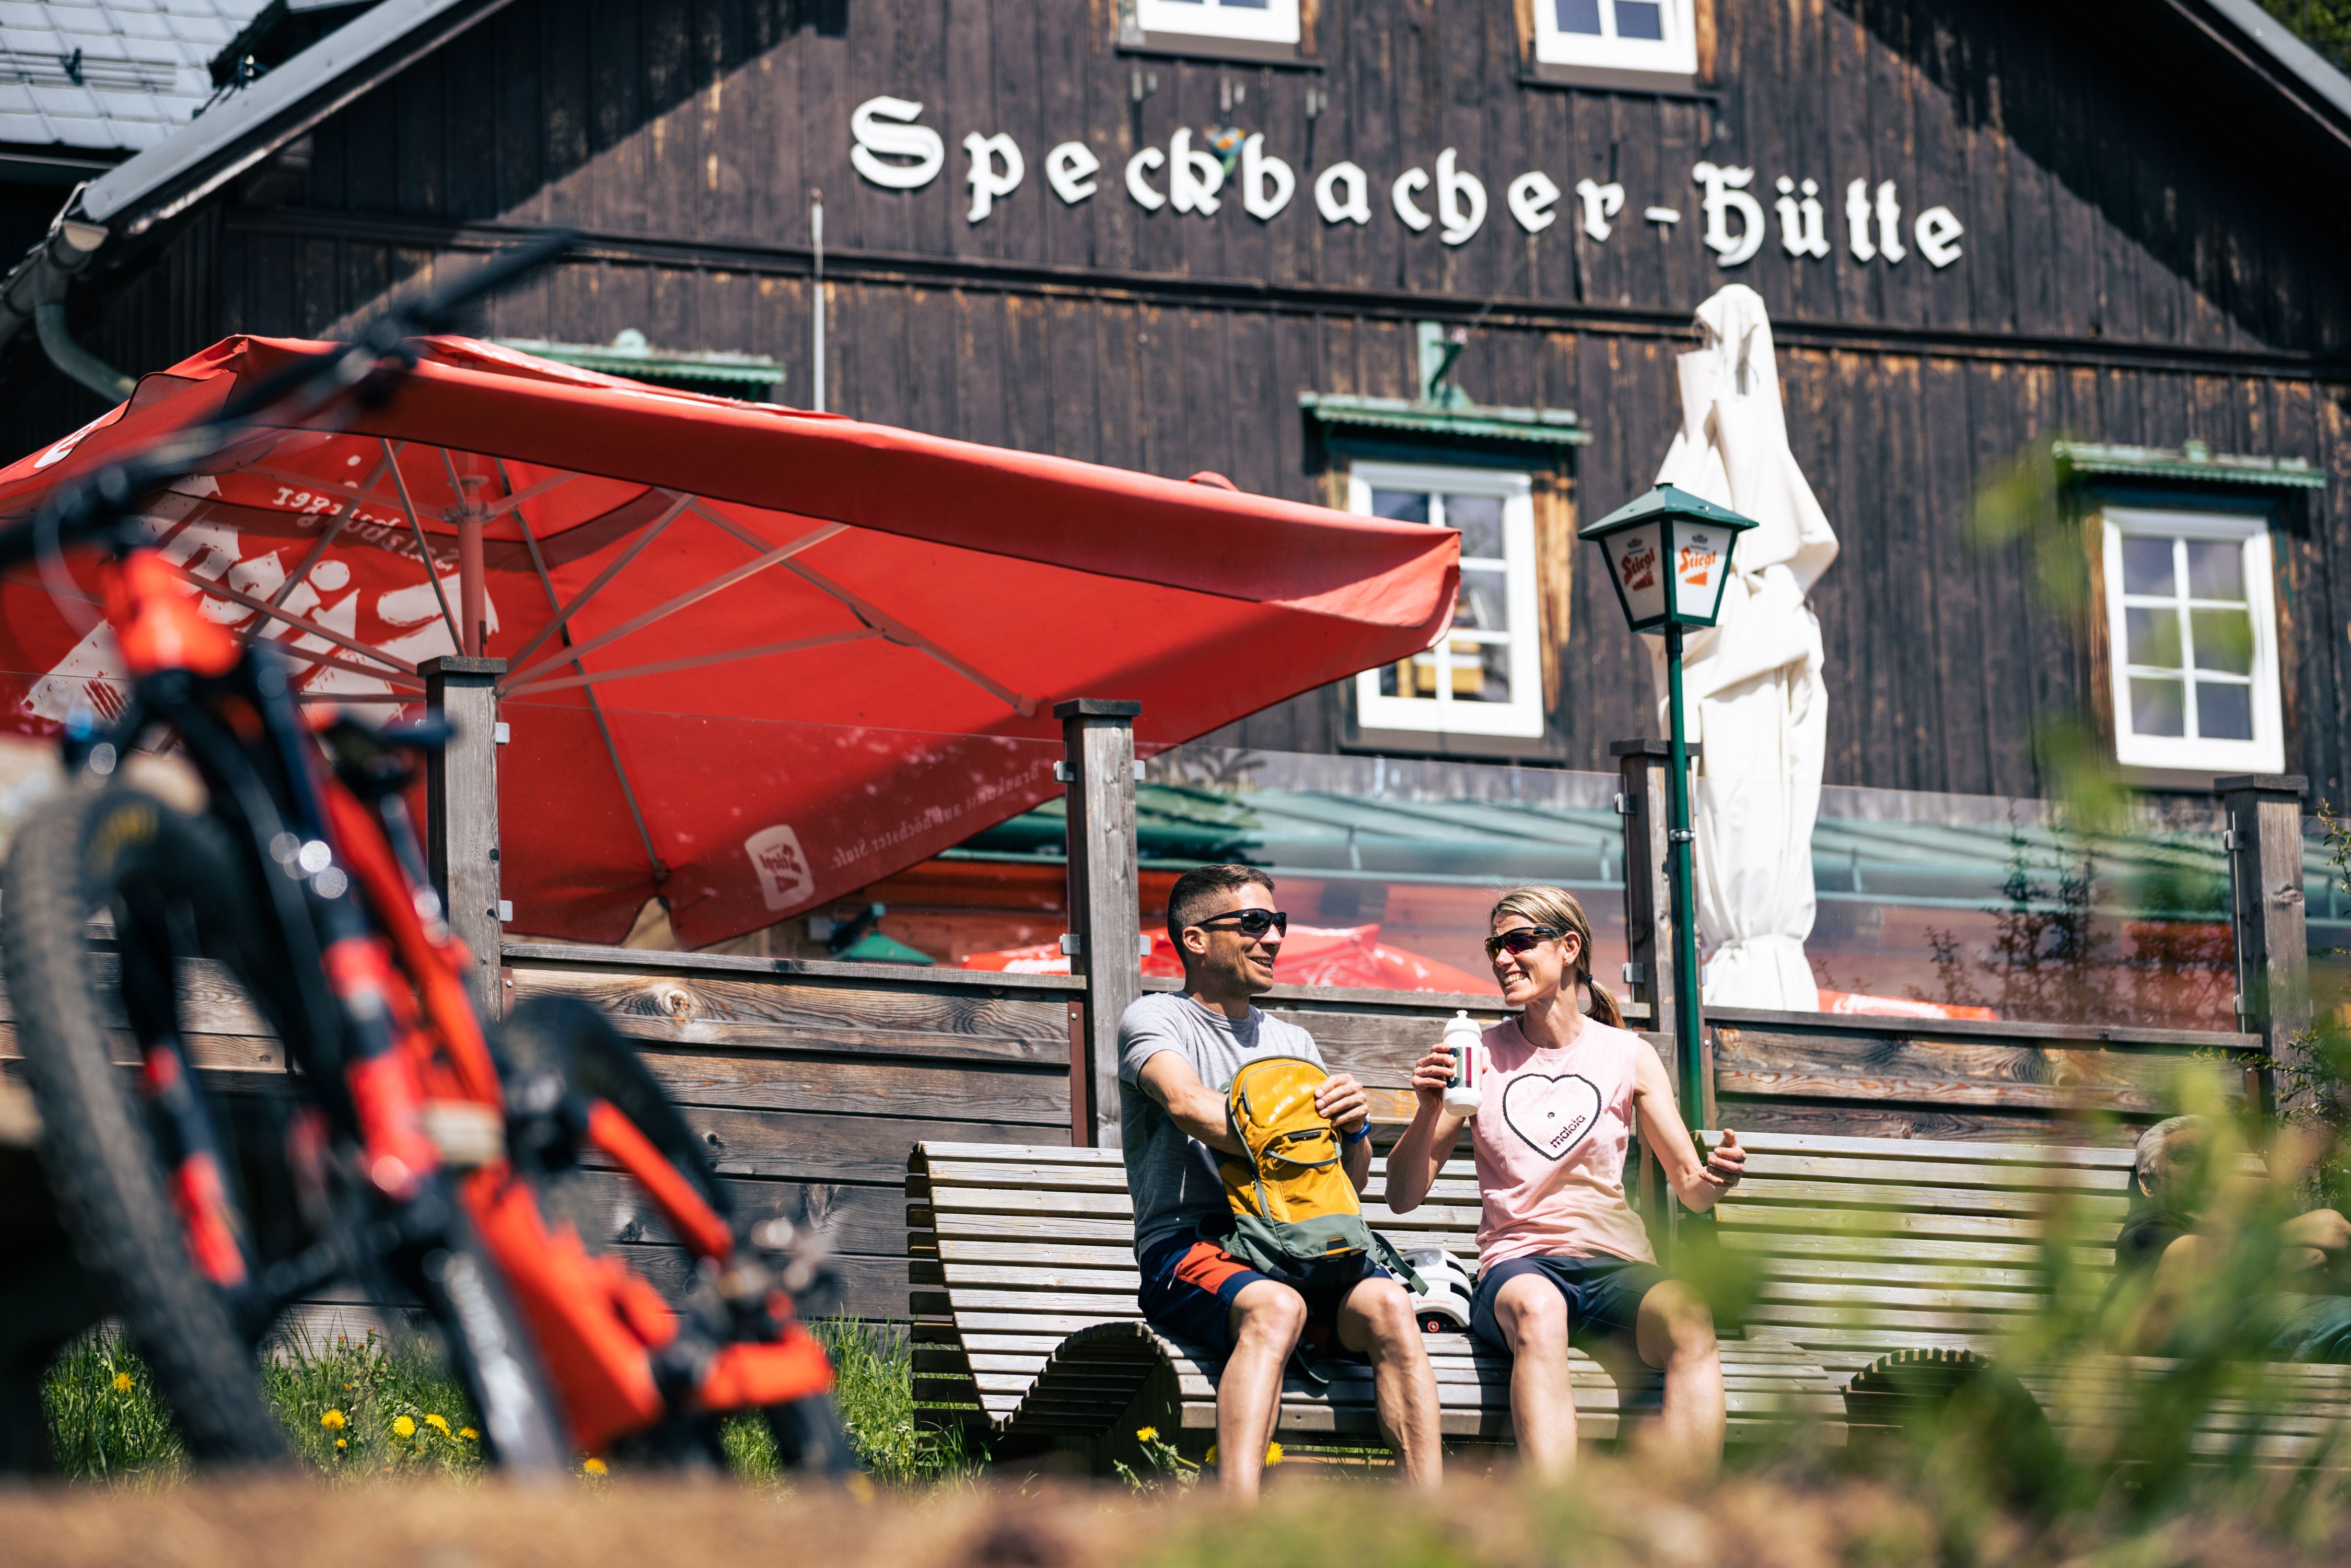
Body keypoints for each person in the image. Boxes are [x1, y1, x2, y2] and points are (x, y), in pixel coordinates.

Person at [1386, 885, 1748, 1478]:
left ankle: (1689, 1517)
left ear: (1569, 948)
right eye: (1494, 946)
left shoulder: (1627, 1055)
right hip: (1519, 1264)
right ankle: (1559, 1523)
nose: (1503, 958)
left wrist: (1718, 1176)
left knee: (1690, 1314)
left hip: (1614, 1264)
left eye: (1519, 942)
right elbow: (1403, 1198)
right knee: (1540, 1308)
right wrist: (1428, 1107)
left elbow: (1691, 1185)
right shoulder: (1477, 1053)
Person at [1118, 863, 1442, 1497]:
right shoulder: (1156, 1020)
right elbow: (1187, 1104)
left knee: (1389, 1304)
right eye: (1254, 922)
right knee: (1277, 1306)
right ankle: (1239, 1525)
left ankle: (1430, 1518)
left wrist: (1351, 1134)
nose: (1273, 938)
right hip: (1192, 1247)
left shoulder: (1294, 1042)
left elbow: (1344, 1186)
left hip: (1300, 1246)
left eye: (1279, 923)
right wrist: (1295, 1138)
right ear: (1196, 939)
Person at [2111, 1114, 2351, 1361]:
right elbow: (2185, 1260)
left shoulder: (2247, 1225)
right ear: (2150, 1183)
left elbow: (2326, 1245)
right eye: (2186, 1157)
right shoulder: (2149, 1227)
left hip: (2285, 1332)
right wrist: (2291, 1240)